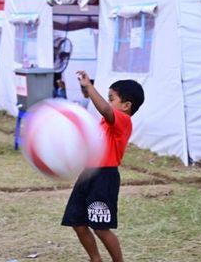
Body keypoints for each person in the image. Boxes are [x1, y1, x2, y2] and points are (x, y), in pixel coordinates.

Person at [61, 70, 144, 262]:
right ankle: (95, 259)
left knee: (100, 227)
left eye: (111, 98)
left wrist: (90, 86)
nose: (108, 103)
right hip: (88, 174)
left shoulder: (123, 121)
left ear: (126, 105)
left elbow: (105, 109)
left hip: (104, 178)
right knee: (78, 222)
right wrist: (85, 88)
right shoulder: (105, 123)